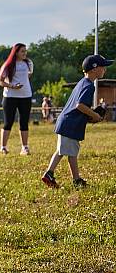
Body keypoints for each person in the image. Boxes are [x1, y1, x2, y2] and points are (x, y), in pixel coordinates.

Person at [41, 54, 112, 189]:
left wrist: (90, 115)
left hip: (68, 122)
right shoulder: (89, 85)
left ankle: (60, 176)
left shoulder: (83, 82)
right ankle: (68, 178)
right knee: (69, 152)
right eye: (103, 67)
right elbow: (80, 105)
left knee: (65, 151)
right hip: (70, 123)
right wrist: (95, 115)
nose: (105, 70)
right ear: (94, 69)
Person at [0, 43, 34, 155]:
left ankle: (25, 148)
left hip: (26, 96)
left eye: (25, 51)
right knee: (8, 122)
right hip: (10, 97)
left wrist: (22, 86)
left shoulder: (29, 63)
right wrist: (12, 86)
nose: (25, 53)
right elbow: (0, 81)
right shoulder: (8, 65)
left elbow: (28, 76)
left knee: (24, 122)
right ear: (16, 52)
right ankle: (3, 147)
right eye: (22, 51)